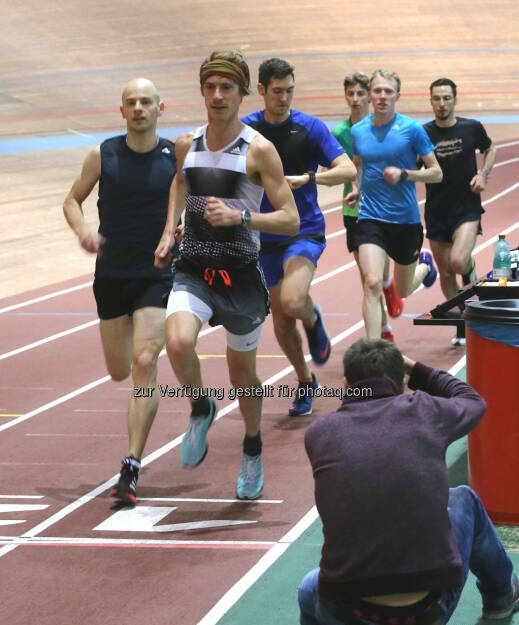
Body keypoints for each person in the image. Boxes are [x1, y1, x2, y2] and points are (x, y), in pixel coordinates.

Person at [154, 50, 299, 500]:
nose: (217, 96)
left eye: (227, 88)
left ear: (241, 93)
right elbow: (181, 181)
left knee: (243, 377)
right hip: (194, 267)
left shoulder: (259, 150)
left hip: (239, 277)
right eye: (210, 88)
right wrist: (168, 230)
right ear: (202, 91)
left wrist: (241, 219)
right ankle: (201, 406)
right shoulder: (186, 143)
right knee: (177, 342)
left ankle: (252, 448)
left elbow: (290, 220)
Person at [298, 337, 519, 624]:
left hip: (347, 610)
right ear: (402, 384)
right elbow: (473, 401)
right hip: (426, 611)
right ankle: (501, 597)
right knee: (464, 498)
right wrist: (414, 369)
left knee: (308, 590)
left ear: (345, 384)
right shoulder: (427, 412)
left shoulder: (319, 434)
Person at [63, 78, 177, 506]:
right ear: (122, 110)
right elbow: (71, 200)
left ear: (160, 107)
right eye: (131, 102)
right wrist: (83, 231)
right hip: (111, 275)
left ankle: (131, 464)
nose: (139, 108)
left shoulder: (173, 156)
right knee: (118, 370)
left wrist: (180, 229)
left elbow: (192, 197)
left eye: (146, 101)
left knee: (145, 361)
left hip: (157, 272)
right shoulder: (103, 154)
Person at [241, 58, 356, 416]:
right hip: (261, 235)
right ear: (261, 91)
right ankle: (306, 381)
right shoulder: (245, 132)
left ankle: (314, 318)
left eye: (290, 90)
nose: (285, 97)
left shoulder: (309, 127)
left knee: (293, 301)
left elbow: (348, 168)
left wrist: (310, 179)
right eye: (277, 91)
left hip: (302, 229)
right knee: (280, 320)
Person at [347, 69, 443, 339]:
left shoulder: (412, 129)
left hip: (405, 221)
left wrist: (406, 174)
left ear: (397, 96)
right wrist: (357, 189)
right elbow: (360, 166)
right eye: (377, 90)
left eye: (388, 91)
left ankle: (425, 265)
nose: (382, 96)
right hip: (370, 218)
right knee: (373, 283)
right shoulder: (358, 131)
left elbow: (437, 172)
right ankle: (372, 351)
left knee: (402, 291)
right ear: (370, 95)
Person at [423, 78, 496, 344]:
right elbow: (414, 165)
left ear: (455, 99)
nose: (442, 104)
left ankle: (469, 265)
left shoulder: (471, 128)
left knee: (458, 261)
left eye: (446, 98)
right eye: (437, 98)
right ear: (430, 100)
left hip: (466, 207)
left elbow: (490, 149)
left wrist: (483, 174)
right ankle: (463, 321)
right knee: (445, 273)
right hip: (436, 210)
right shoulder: (423, 133)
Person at [332, 71, 403, 343]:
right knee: (367, 279)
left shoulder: (384, 127)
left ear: (370, 96)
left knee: (380, 273)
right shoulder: (340, 132)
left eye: (361, 93)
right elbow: (333, 165)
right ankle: (383, 329)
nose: (355, 99)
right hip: (355, 211)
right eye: (350, 94)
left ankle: (389, 284)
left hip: (385, 207)